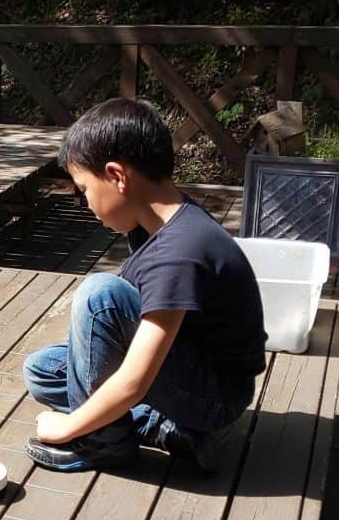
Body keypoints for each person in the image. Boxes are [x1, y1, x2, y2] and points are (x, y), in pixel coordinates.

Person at [23, 98, 266, 473]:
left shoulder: (180, 252)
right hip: (190, 365)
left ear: (118, 176)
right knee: (41, 370)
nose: (85, 202)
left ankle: (102, 444)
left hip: (216, 396)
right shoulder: (157, 224)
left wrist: (66, 428)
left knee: (99, 295)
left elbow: (135, 379)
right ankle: (164, 429)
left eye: (83, 188)